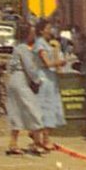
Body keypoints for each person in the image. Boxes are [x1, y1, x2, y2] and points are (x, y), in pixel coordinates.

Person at [5, 24, 45, 155]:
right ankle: (37, 142)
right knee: (34, 110)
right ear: (27, 35)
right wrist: (37, 81)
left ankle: (13, 143)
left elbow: (10, 66)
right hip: (22, 79)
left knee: (16, 111)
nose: (34, 35)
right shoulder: (24, 49)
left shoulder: (16, 48)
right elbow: (30, 68)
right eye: (32, 33)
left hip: (13, 80)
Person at [33, 19, 66, 151]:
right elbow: (46, 62)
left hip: (50, 79)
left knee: (50, 108)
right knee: (45, 108)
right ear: (42, 30)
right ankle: (42, 140)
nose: (50, 30)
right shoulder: (40, 44)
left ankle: (44, 138)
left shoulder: (47, 44)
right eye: (48, 28)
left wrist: (57, 49)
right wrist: (60, 62)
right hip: (44, 79)